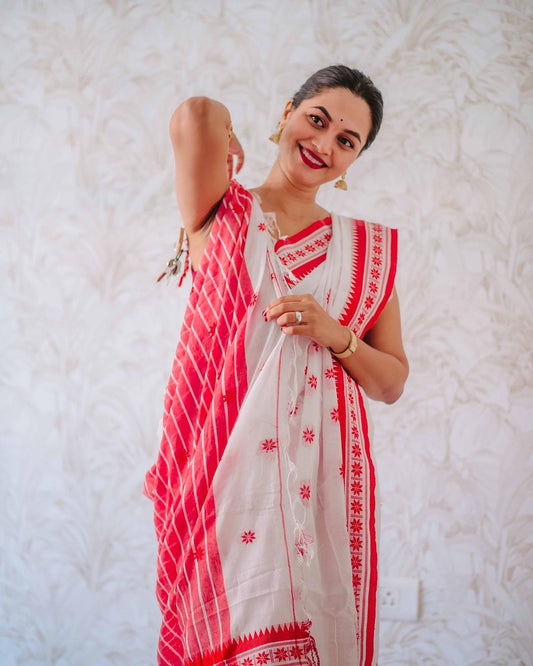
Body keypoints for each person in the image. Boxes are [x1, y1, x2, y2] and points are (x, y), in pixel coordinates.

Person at [144, 64, 409, 666]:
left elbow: (391, 382)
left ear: (354, 160)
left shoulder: (365, 252)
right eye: (316, 120)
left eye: (347, 141)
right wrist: (230, 134)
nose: (324, 145)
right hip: (217, 474)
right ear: (287, 113)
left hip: (315, 493)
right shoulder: (222, 212)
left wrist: (337, 335)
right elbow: (196, 115)